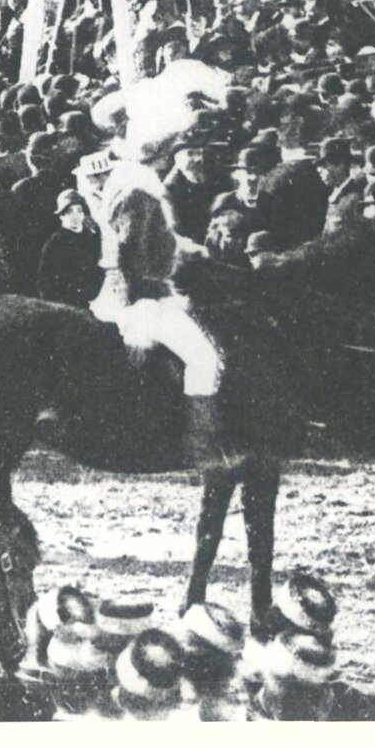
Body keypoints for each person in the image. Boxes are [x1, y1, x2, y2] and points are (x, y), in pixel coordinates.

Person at [87, 60, 236, 468]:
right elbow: (135, 250)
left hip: (139, 290)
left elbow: (157, 241)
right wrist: (145, 297)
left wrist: (192, 250)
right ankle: (199, 449)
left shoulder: (128, 177)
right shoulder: (141, 186)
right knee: (206, 359)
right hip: (141, 297)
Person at [36, 188, 102, 309]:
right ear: (61, 216)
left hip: (94, 301)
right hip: (68, 305)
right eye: (69, 212)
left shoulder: (91, 236)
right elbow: (45, 285)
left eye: (79, 211)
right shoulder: (54, 243)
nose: (75, 216)